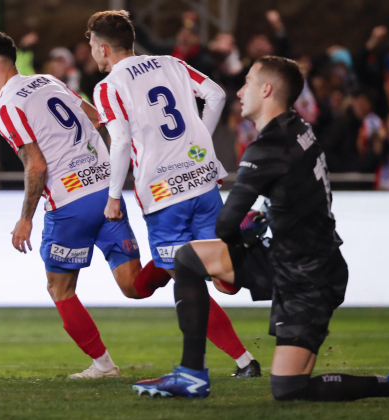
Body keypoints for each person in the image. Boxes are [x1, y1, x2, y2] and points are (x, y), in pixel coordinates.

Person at [133, 56, 389, 403]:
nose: (240, 92)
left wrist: (242, 234)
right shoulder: (297, 127)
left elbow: (226, 224)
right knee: (189, 258)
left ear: (267, 89)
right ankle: (191, 374)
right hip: (289, 258)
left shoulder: (269, 148)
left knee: (289, 388)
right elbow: (294, 194)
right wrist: (259, 222)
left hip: (309, 276)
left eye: (247, 83)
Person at [0, 31, 173, 379]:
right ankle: (179, 258)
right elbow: (97, 118)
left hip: (69, 202)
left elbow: (37, 164)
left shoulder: (7, 108)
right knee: (133, 285)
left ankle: (104, 366)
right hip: (107, 192)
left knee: (59, 288)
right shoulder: (49, 81)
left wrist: (25, 219)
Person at [86, 10, 260, 378]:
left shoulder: (108, 87)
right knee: (220, 277)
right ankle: (245, 360)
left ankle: (200, 365)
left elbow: (118, 141)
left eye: (91, 46)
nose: (91, 53)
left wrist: (114, 196)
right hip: (202, 179)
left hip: (165, 194)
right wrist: (199, 138)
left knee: (181, 274)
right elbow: (215, 94)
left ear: (103, 48)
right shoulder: (170, 63)